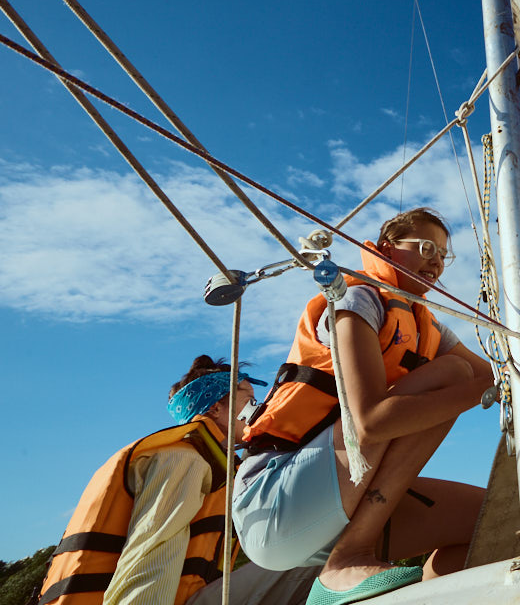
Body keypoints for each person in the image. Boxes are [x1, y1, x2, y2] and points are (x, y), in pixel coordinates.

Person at [233, 207, 494, 604]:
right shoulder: (357, 299)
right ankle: (347, 560)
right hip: (273, 501)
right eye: (425, 247)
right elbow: (369, 423)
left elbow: (494, 377)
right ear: (388, 249)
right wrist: (480, 392)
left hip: (331, 507)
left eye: (444, 254)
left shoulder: (427, 326)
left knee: (488, 520)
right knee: (454, 374)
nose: (436, 260)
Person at [38, 356, 272, 604]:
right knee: (309, 561)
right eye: (251, 400)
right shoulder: (183, 460)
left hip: (189, 595)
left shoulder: (202, 461)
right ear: (215, 407)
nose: (258, 411)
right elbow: (150, 554)